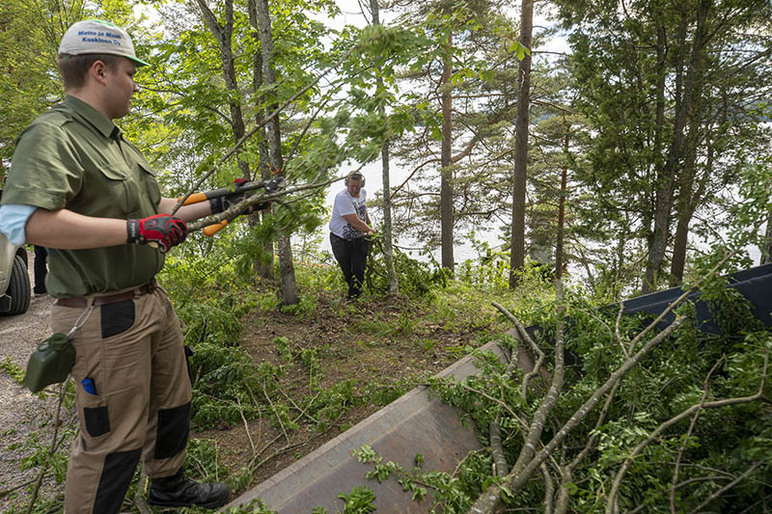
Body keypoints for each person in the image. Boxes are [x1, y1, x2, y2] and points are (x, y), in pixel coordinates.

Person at [0, 19, 253, 512]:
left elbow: (157, 210)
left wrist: (226, 200)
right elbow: (22, 221)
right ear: (99, 70)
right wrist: (136, 231)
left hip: (149, 301)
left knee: (174, 404)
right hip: (101, 315)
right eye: (129, 73)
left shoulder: (115, 142)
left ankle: (167, 489)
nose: (135, 83)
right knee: (111, 442)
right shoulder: (54, 135)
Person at [329, 172, 375, 299]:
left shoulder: (363, 193)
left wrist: (368, 222)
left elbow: (362, 208)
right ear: (347, 184)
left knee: (359, 269)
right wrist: (371, 230)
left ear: (362, 185)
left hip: (359, 238)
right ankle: (354, 294)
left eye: (357, 186)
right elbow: (354, 222)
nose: (354, 189)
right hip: (340, 240)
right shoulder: (342, 197)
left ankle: (354, 298)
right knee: (347, 270)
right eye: (352, 186)